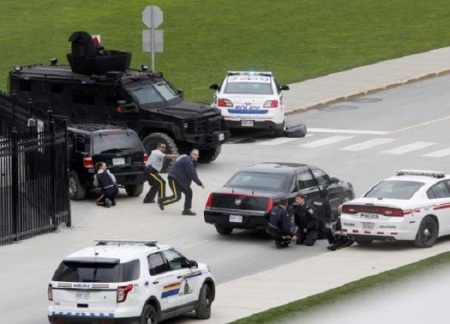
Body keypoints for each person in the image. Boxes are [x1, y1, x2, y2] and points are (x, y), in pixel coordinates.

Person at [158, 149, 204, 215]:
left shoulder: (192, 162)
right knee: (177, 197)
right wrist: (200, 183)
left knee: (189, 192)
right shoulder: (187, 161)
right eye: (196, 155)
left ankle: (186, 210)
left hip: (180, 181)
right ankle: (162, 202)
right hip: (174, 179)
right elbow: (191, 174)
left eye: (198, 155)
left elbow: (193, 173)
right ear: (192, 154)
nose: (197, 156)